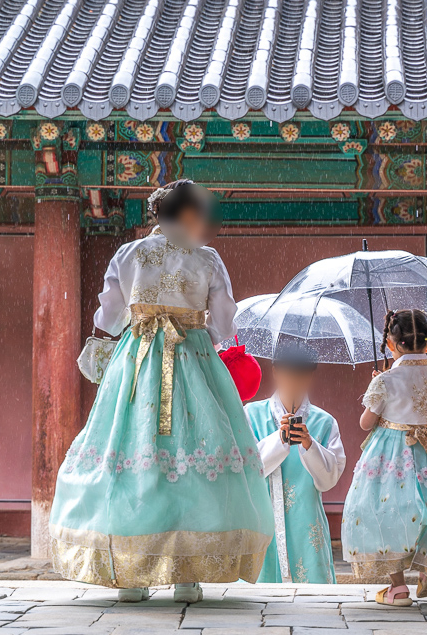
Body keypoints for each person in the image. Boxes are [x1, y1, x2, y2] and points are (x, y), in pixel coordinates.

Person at [49, 180, 274, 603]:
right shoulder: (206, 259)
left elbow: (111, 316)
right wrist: (197, 327)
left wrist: (140, 322)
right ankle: (188, 574)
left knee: (133, 456)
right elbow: (225, 323)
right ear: (188, 215)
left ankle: (132, 575)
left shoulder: (128, 254)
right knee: (192, 457)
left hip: (136, 363)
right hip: (192, 359)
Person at [342, 309, 427, 606]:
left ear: (392, 344)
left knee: (385, 511)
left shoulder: (385, 381)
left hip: (390, 453)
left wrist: (377, 386)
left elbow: (366, 423)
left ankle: (398, 587)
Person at [245, 343, 345, 583]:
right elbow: (246, 469)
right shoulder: (251, 414)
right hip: (263, 518)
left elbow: (328, 479)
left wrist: (310, 445)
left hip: (306, 520)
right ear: (276, 372)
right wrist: (278, 440)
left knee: (312, 602)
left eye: (300, 376)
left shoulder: (324, 422)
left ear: (310, 376)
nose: (294, 382)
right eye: (288, 375)